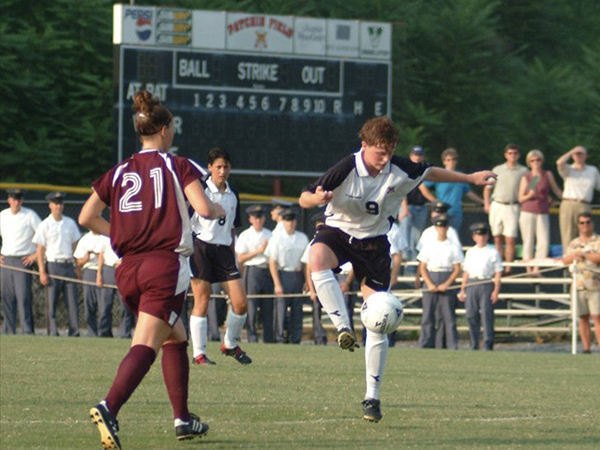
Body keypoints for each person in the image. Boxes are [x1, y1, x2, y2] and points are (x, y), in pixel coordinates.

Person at [299, 116, 496, 422]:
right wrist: (317, 198)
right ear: (364, 146)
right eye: (380, 152)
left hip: (374, 243)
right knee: (316, 258)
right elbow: (304, 197)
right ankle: (342, 328)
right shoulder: (346, 168)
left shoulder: (401, 168)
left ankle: (371, 398)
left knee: (379, 319)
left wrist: (470, 179)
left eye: (390, 151)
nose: (386, 158)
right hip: (337, 232)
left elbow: (431, 171)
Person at [80, 90, 225, 448]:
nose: (173, 131)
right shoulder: (178, 165)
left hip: (127, 269)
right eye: (172, 126)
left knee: (174, 336)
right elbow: (204, 209)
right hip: (164, 265)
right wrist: (220, 211)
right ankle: (109, 406)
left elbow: (86, 217)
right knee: (146, 343)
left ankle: (183, 419)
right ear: (163, 130)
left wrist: (119, 231)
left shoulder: (119, 170)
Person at [188, 147, 251, 366]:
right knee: (202, 300)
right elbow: (187, 222)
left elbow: (233, 228)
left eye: (226, 166)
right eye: (218, 167)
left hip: (224, 252)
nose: (222, 171)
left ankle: (230, 344)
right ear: (209, 168)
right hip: (201, 248)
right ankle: (199, 354)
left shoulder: (233, 194)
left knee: (241, 303)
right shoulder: (200, 190)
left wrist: (232, 255)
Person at [33, 192, 81, 337]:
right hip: (53, 265)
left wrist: (77, 266)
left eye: (60, 203)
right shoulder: (45, 225)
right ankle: (52, 331)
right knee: (51, 302)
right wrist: (42, 271)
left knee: (72, 301)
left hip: (68, 264)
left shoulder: (70, 223)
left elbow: (75, 245)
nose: (58, 206)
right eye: (55, 203)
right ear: (50, 205)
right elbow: (40, 250)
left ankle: (75, 331)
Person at [417, 214, 463, 350]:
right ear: (435, 228)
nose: (441, 229)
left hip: (446, 275)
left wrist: (447, 284)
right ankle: (425, 343)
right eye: (439, 226)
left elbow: (457, 268)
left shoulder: (453, 246)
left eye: (443, 226)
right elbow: (422, 267)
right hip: (431, 275)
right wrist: (429, 283)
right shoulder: (428, 245)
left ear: (447, 228)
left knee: (448, 315)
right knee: (427, 315)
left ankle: (451, 345)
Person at [266, 208, 309, 344]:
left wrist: (307, 281)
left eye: (292, 220)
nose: (290, 223)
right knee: (281, 310)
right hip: (283, 274)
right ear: (283, 222)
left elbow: (305, 263)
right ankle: (279, 338)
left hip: (297, 274)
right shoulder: (276, 238)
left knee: (297, 310)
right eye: (287, 221)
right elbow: (272, 262)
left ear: (295, 222)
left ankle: (295, 338)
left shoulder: (302, 238)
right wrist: (277, 284)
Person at [0, 188, 41, 334]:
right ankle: (9, 330)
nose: (16, 202)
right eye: (13, 199)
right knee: (7, 298)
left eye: (19, 199)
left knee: (23, 298)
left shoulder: (30, 215)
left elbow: (43, 235)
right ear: (9, 200)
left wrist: (35, 255)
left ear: (22, 200)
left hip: (22, 261)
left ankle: (27, 330)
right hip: (6, 260)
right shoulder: (2, 215)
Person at [458, 222, 503, 350]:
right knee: (471, 314)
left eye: (483, 235)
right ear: (474, 237)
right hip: (472, 283)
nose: (481, 238)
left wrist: (496, 291)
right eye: (478, 235)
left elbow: (498, 272)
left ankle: (488, 343)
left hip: (486, 283)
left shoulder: (493, 252)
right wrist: (463, 289)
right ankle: (474, 342)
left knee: (487, 315)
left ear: (487, 236)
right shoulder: (470, 252)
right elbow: (466, 272)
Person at [484, 144, 528, 272]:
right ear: (505, 155)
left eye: (515, 153)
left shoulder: (524, 171)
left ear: (518, 155)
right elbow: (488, 188)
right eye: (510, 153)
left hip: (513, 206)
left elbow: (533, 184)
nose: (512, 155)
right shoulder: (497, 169)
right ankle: (498, 266)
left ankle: (508, 267)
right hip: (497, 204)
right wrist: (487, 204)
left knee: (510, 238)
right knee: (497, 237)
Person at [517, 150, 563, 273]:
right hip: (528, 211)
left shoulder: (547, 174)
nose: (535, 162)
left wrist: (568, 198)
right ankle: (528, 269)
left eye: (538, 160)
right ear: (529, 163)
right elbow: (521, 198)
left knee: (543, 241)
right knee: (528, 240)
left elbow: (556, 191)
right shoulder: (527, 177)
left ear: (542, 161)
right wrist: (530, 195)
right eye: (532, 160)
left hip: (542, 211)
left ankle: (537, 269)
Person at [235, 204, 274, 343]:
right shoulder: (245, 235)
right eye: (255, 217)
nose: (258, 220)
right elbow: (240, 258)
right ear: (251, 219)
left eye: (260, 217)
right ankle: (252, 337)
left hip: (267, 270)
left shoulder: (269, 234)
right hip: (252, 271)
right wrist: (258, 251)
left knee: (268, 306)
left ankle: (269, 338)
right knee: (251, 305)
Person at [562, 212, 600, 354]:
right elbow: (565, 260)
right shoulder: (574, 243)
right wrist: (574, 256)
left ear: (592, 223)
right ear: (578, 225)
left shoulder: (598, 240)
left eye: (588, 222)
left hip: (595, 286)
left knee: (597, 317)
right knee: (583, 317)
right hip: (578, 286)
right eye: (582, 223)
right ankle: (586, 348)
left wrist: (584, 255)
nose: (585, 225)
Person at [423, 147, 484, 232]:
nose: (451, 162)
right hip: (441, 212)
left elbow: (469, 193)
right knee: (440, 236)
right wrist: (434, 200)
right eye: (448, 160)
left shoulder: (461, 176)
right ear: (444, 162)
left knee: (453, 236)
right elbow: (422, 186)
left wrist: (483, 202)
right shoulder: (440, 174)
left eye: (453, 159)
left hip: (456, 212)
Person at [556, 146, 600, 252]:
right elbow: (559, 162)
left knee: (588, 234)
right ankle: (568, 265)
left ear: (586, 156)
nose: (579, 156)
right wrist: (572, 151)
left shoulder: (592, 170)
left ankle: (588, 263)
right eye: (577, 154)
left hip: (585, 204)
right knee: (568, 236)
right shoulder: (568, 169)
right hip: (568, 204)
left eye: (581, 153)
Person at [398, 146, 437, 263]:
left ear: (423, 156)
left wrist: (437, 204)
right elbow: (401, 190)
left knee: (416, 238)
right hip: (407, 206)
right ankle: (404, 256)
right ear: (411, 156)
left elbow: (427, 188)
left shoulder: (426, 169)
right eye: (415, 154)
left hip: (421, 208)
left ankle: (412, 267)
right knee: (404, 233)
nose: (417, 157)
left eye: (419, 155)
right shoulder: (406, 169)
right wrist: (404, 208)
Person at [74, 230, 112, 337]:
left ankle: (104, 332)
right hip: (89, 271)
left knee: (104, 304)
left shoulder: (106, 238)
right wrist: (85, 259)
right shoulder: (85, 239)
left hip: (104, 271)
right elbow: (78, 262)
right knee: (89, 304)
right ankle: (92, 332)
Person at [96, 234, 135, 338]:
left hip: (124, 269)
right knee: (105, 304)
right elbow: (101, 255)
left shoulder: (129, 233)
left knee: (125, 304)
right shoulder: (105, 235)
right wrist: (99, 274)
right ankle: (104, 332)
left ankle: (125, 333)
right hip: (109, 269)